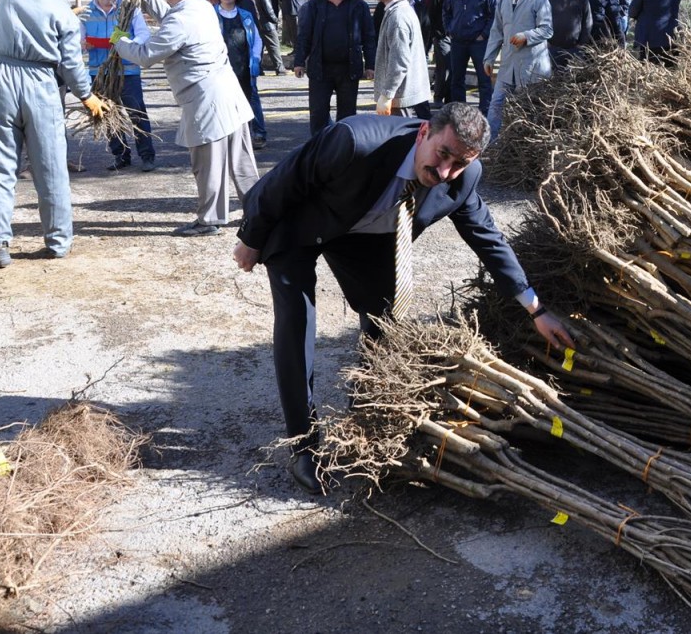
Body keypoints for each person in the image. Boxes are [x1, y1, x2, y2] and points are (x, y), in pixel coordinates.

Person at [231, 103, 575, 493]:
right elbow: (284, 182)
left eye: (460, 163)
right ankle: (303, 445)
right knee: (297, 321)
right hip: (302, 221)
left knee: (384, 315)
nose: (445, 172)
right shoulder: (354, 140)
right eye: (443, 154)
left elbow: (488, 238)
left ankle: (368, 410)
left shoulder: (464, 178)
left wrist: (536, 309)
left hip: (365, 234)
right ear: (424, 131)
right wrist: (251, 238)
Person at [0, 0, 107, 269]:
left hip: (1, 80)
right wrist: (86, 95)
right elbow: (72, 64)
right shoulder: (62, 11)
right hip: (42, 85)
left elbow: (24, 9)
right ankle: (58, 242)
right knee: (50, 167)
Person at [114, 0, 258, 237]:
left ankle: (209, 220)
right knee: (241, 162)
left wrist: (120, 42)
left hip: (207, 100)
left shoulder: (181, 20)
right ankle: (261, 211)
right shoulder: (202, 6)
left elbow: (146, 55)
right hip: (228, 94)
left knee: (207, 164)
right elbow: (171, 16)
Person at [81, 0, 155, 173]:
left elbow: (143, 35)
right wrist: (83, 45)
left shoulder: (129, 9)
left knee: (137, 113)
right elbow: (78, 41)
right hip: (99, 72)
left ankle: (147, 156)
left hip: (128, 71)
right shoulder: (86, 13)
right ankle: (120, 155)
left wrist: (125, 44)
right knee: (107, 114)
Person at [294, 0, 376, 136]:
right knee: (318, 113)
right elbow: (304, 35)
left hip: (348, 69)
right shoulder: (315, 6)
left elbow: (369, 38)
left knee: (347, 115)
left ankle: (343, 148)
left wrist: (370, 65)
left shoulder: (359, 7)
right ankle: (318, 150)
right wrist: (299, 61)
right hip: (320, 68)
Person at [484, 0, 552, 139]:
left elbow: (547, 30)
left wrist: (526, 36)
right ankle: (491, 147)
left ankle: (528, 147)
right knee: (496, 106)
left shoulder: (539, 0)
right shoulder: (504, 0)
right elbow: (496, 32)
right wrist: (489, 58)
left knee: (529, 111)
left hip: (531, 68)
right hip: (507, 66)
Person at [372, 0, 432, 119]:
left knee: (402, 139)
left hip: (398, 97)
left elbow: (399, 61)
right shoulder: (396, 11)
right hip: (398, 96)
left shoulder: (398, 16)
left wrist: (387, 95)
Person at [216, 0, 267, 150]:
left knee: (249, 102)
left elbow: (257, 40)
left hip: (244, 69)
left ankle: (255, 134)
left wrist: (256, 59)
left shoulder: (245, 16)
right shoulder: (212, 16)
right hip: (220, 71)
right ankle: (227, 139)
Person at [444, 0, 497, 115]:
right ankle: (460, 114)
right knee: (456, 80)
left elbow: (494, 16)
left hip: (478, 43)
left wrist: (484, 34)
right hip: (458, 42)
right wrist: (449, 30)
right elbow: (446, 12)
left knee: (484, 80)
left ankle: (485, 113)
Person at [629, 0, 683, 64]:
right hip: (670, 35)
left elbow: (633, 10)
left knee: (649, 69)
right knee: (670, 69)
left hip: (648, 36)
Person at [545, 0, 592, 73]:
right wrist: (545, 42)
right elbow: (539, 21)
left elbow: (588, 22)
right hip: (552, 49)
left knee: (573, 82)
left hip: (575, 49)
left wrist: (582, 44)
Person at [423, 0, 452, 105]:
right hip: (441, 35)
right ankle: (439, 96)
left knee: (446, 66)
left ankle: (447, 96)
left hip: (448, 36)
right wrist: (437, 34)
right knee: (444, 66)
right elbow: (431, 14)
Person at [252, 0, 285, 75]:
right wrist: (276, 20)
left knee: (259, 48)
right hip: (267, 25)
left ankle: (258, 68)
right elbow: (269, 11)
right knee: (274, 46)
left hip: (258, 25)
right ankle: (280, 69)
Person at [280, 0, 309, 66]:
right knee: (297, 31)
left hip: (292, 8)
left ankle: (298, 50)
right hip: (300, 5)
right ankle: (296, 49)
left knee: (294, 31)